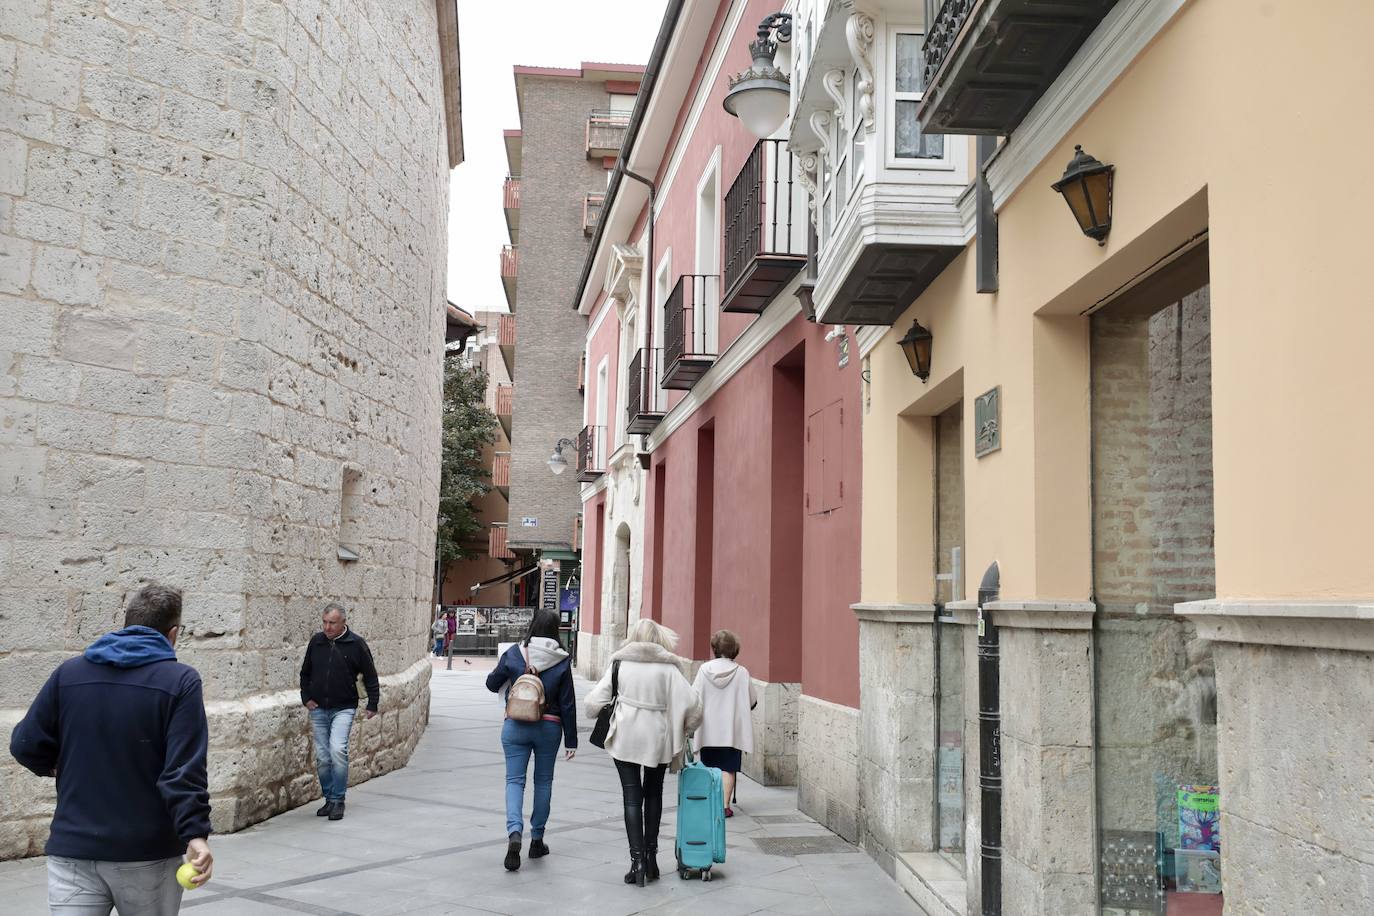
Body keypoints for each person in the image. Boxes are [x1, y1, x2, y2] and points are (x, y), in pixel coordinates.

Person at [10, 584, 214, 914]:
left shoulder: (69, 673)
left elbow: (24, 744)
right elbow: (183, 770)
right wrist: (195, 834)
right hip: (146, 853)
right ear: (173, 633)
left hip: (72, 849)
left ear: (127, 622)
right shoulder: (181, 681)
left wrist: (55, 765)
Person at [585, 619, 703, 887]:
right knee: (654, 793)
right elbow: (695, 707)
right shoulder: (669, 669)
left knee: (631, 796)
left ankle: (635, 862)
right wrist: (685, 728)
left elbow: (593, 703)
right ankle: (651, 860)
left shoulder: (620, 664)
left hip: (625, 737)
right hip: (657, 739)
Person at [485, 608, 577, 871]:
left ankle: (515, 832)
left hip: (515, 724)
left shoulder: (514, 653)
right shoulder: (561, 659)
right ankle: (537, 840)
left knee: (514, 781)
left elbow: (492, 684)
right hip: (549, 727)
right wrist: (571, 740)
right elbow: (568, 703)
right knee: (543, 781)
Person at [299, 602, 380, 821]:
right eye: (324, 622)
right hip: (317, 708)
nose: (327, 627)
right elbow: (305, 673)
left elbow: (370, 675)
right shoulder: (316, 642)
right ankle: (329, 798)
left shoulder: (356, 644)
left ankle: (338, 800)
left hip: (344, 707)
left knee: (337, 750)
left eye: (332, 623)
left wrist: (373, 703)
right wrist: (306, 698)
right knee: (323, 757)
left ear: (343, 622)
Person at [692, 629, 758, 818]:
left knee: (709, 767)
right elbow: (752, 700)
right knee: (728, 768)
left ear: (714, 648)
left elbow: (693, 696)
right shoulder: (741, 672)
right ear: (734, 649)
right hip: (731, 731)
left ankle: (710, 801)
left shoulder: (704, 670)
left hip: (708, 730)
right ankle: (724, 805)